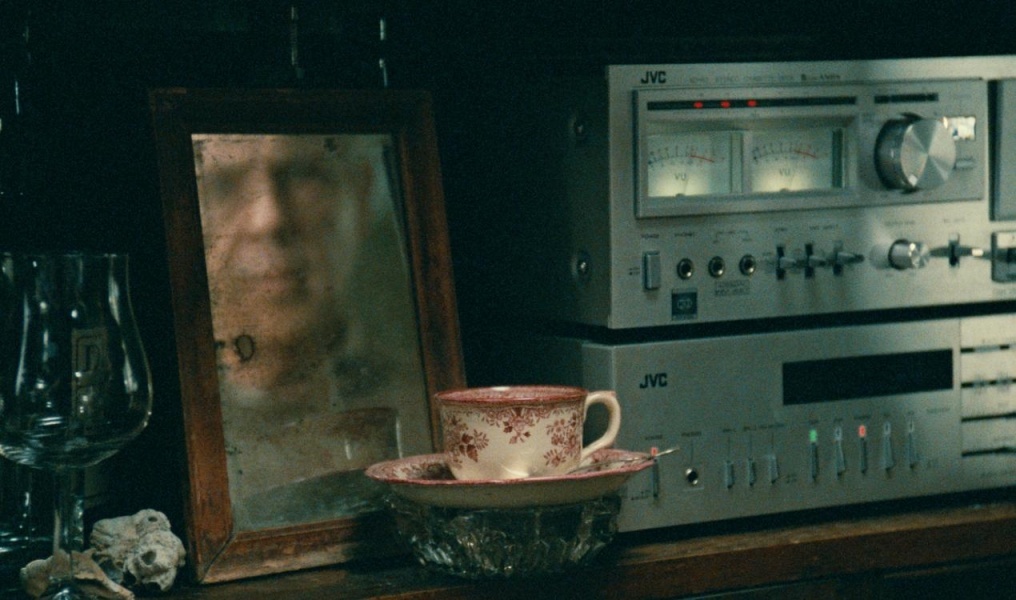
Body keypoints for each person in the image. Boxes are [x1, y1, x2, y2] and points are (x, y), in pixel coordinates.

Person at [192, 133, 430, 530]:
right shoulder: (163, 434)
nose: (268, 218)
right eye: (223, 184)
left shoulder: (431, 409)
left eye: (304, 175)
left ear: (360, 193)